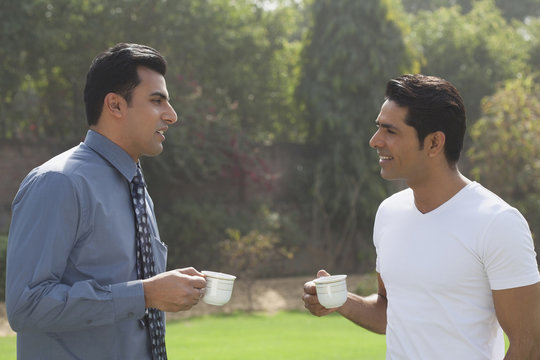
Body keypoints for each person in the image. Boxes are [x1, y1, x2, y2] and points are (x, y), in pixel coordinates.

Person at [302, 74, 540, 359]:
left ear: (434, 143)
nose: (375, 141)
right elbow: (390, 310)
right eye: (378, 128)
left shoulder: (497, 223)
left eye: (390, 131)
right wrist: (340, 301)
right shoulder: (389, 213)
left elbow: (529, 345)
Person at [6, 43, 207, 359]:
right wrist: (145, 294)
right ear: (115, 105)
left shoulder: (136, 188)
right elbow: (26, 306)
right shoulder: (58, 182)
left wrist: (163, 292)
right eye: (157, 101)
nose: (172, 115)